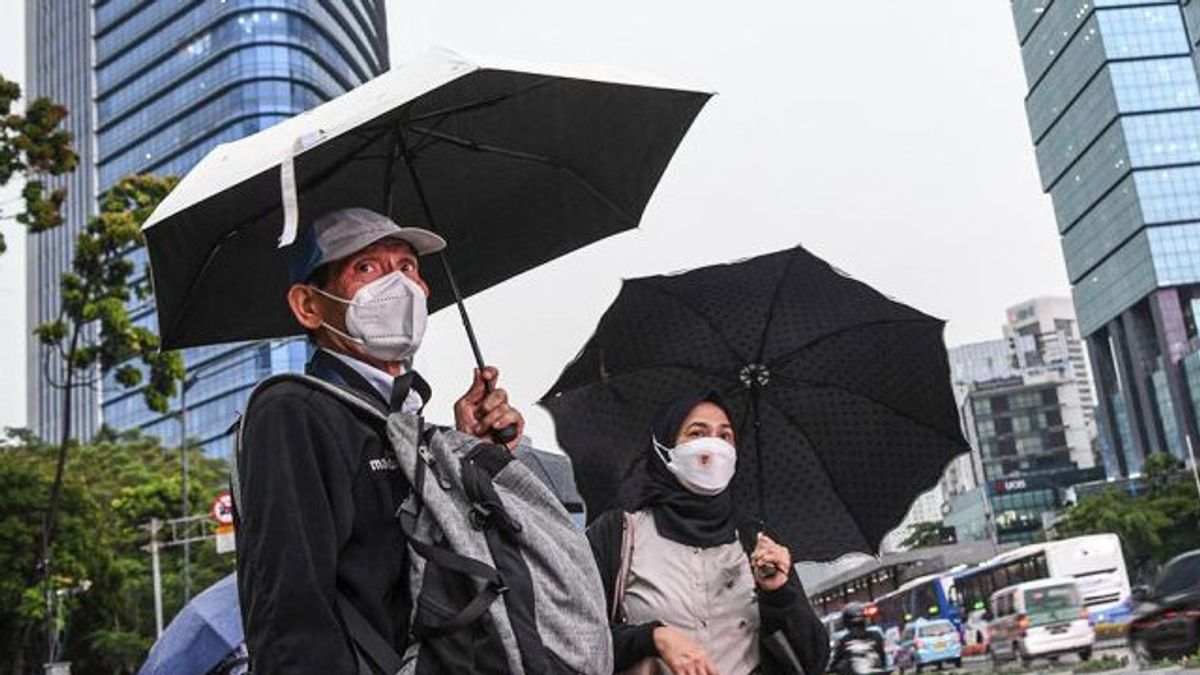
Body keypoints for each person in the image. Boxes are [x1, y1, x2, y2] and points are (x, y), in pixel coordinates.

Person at [235, 207, 528, 673]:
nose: (398, 286)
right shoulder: (294, 413)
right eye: (366, 267)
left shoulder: (409, 422)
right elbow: (290, 603)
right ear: (308, 305)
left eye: (407, 267)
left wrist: (469, 454)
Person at [586, 391, 829, 675]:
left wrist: (777, 592)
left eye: (724, 436)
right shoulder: (620, 534)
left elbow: (812, 660)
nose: (713, 445)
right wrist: (653, 638)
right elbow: (578, 637)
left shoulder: (755, 541)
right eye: (697, 433)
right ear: (664, 448)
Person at [828, 604, 886, 675]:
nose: (858, 629)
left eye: (860, 624)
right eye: (855, 625)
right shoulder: (844, 641)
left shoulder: (875, 636)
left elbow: (883, 660)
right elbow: (834, 666)